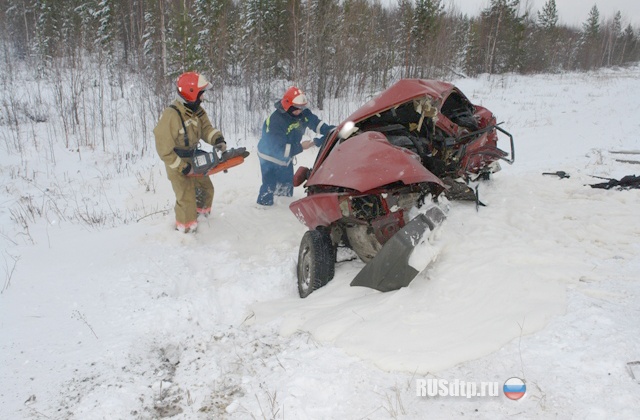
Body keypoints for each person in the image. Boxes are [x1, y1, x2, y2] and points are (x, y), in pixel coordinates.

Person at [154, 71, 227, 233]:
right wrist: (183, 167)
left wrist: (218, 140)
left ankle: (201, 219)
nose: (203, 97)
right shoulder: (171, 115)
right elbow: (163, 150)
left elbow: (206, 129)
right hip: (176, 161)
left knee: (206, 189)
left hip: (194, 158)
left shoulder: (197, 110)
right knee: (186, 198)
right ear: (191, 93)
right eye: (201, 94)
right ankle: (186, 232)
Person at [256, 86, 335, 206]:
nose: (301, 110)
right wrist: (301, 147)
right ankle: (263, 210)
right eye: (298, 108)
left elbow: (317, 124)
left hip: (287, 157)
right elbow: (279, 150)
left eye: (303, 107)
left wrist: (333, 130)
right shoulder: (276, 121)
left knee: (287, 185)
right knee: (269, 186)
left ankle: (283, 206)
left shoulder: (302, 114)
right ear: (289, 106)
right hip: (269, 157)